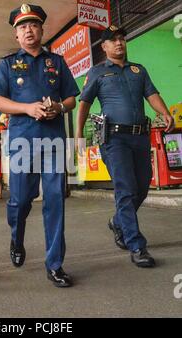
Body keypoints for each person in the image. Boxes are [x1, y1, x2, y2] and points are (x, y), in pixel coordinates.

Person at [0, 4, 79, 287]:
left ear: (41, 30)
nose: (29, 30)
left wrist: (59, 108)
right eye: (23, 26)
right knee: (20, 200)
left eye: (33, 25)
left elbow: (71, 99)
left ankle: (55, 264)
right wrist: (27, 108)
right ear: (16, 34)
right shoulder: (7, 64)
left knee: (55, 201)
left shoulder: (57, 62)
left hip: (53, 141)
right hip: (21, 143)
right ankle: (17, 238)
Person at [76, 25, 174, 268]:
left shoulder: (138, 70)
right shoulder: (97, 72)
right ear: (104, 47)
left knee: (142, 186)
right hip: (114, 139)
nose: (119, 43)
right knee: (126, 188)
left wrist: (165, 112)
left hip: (140, 137)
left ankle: (118, 221)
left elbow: (151, 94)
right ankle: (136, 244)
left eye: (121, 39)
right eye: (113, 40)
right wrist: (78, 134)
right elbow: (85, 104)